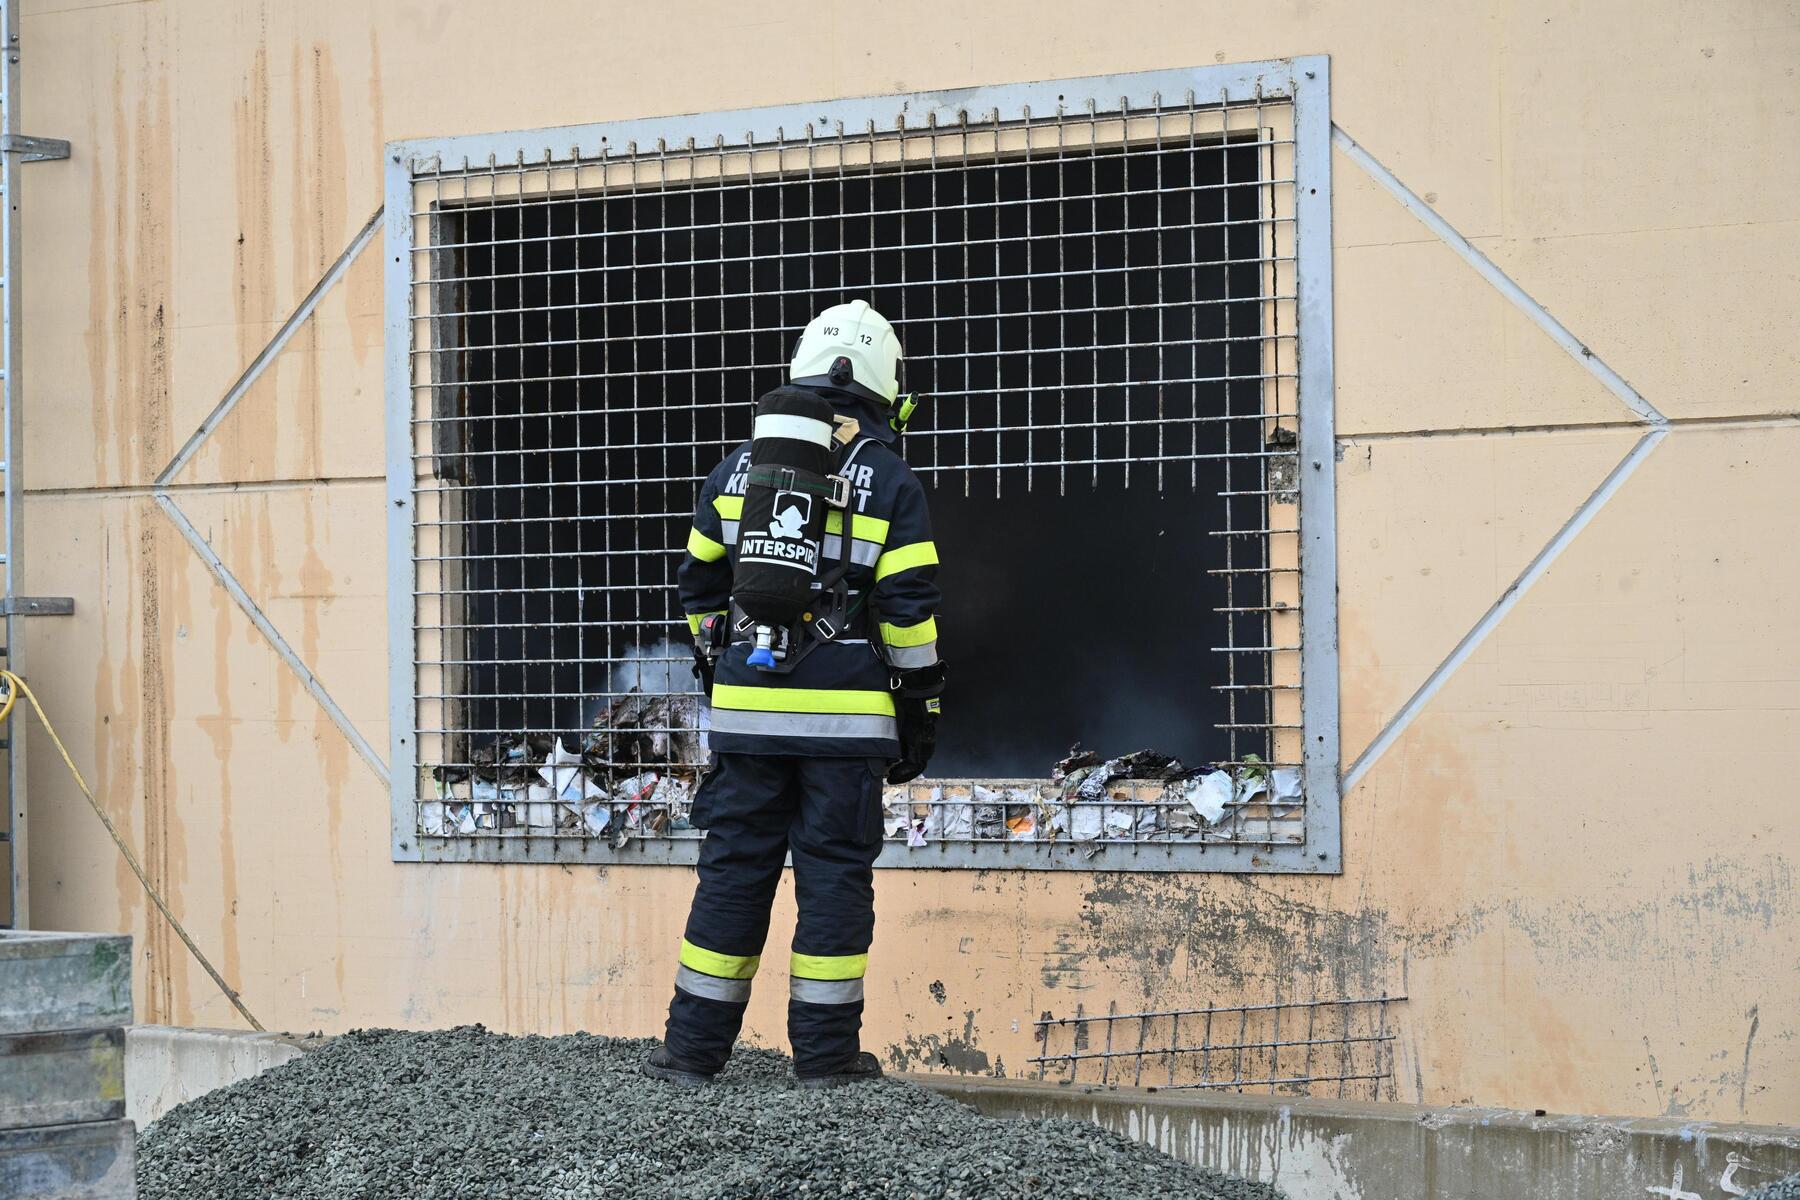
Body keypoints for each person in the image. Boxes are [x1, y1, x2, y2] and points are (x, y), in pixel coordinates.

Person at [644, 300, 944, 1089]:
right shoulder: (888, 477)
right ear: (886, 387)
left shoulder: (738, 466)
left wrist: (723, 664)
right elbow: (909, 612)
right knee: (834, 880)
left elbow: (699, 584)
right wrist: (921, 706)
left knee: (734, 873)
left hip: (746, 724)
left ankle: (690, 1057)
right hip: (845, 734)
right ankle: (827, 1064)